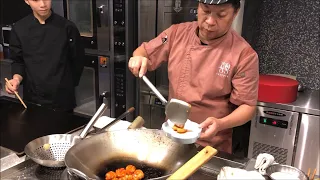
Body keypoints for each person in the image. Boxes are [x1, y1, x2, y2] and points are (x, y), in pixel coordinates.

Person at [128, 0, 259, 153]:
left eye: (221, 15)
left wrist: (220, 123)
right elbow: (143, 51)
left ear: (235, 13)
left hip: (211, 145)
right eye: (206, 10)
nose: (210, 21)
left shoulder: (244, 55)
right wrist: (138, 58)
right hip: (172, 135)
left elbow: (248, 107)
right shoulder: (176, 33)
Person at [5, 0, 85, 112]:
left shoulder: (67, 27)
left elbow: (78, 61)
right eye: (36, 0)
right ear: (27, 1)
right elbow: (18, 61)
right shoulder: (19, 28)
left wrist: (67, 85)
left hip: (62, 99)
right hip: (33, 97)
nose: (43, 4)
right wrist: (16, 80)